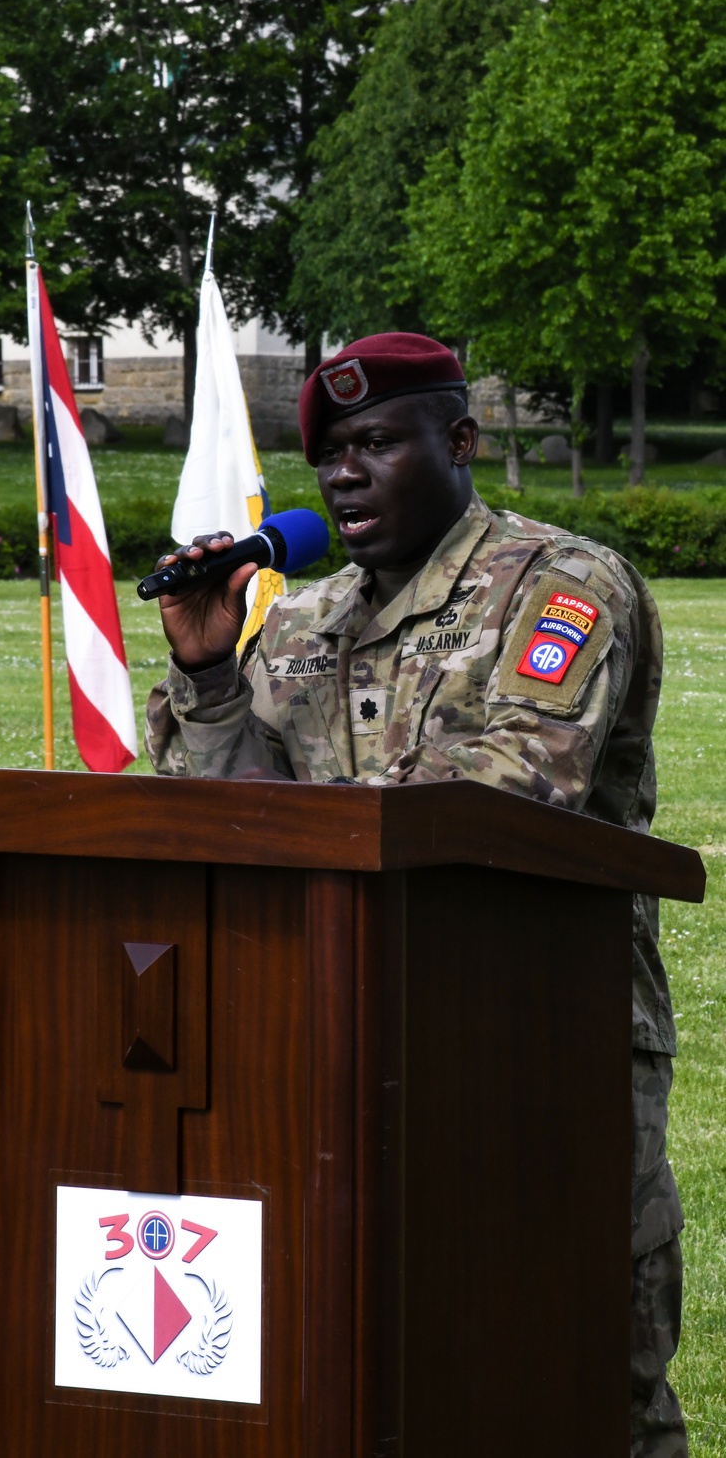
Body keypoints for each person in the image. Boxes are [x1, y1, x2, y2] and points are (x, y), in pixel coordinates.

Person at [145, 332, 687, 1458]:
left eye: (378, 444)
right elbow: (232, 829)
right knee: (369, 1358)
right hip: (330, 1038)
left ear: (460, 441)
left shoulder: (560, 587)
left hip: (542, 1040)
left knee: (581, 1371)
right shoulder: (291, 626)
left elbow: (511, 797)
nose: (345, 473)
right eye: (331, 453)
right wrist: (208, 681)